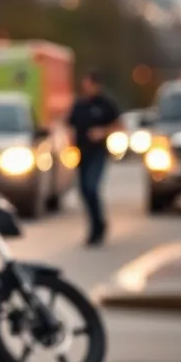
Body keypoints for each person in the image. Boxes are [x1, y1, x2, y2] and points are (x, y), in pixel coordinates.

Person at [67, 71, 122, 246]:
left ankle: (98, 227)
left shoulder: (105, 104)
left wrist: (102, 132)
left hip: (98, 152)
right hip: (81, 152)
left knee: (92, 187)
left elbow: (118, 124)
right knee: (84, 191)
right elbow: (70, 125)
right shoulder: (80, 104)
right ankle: (96, 224)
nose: (87, 87)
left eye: (90, 84)